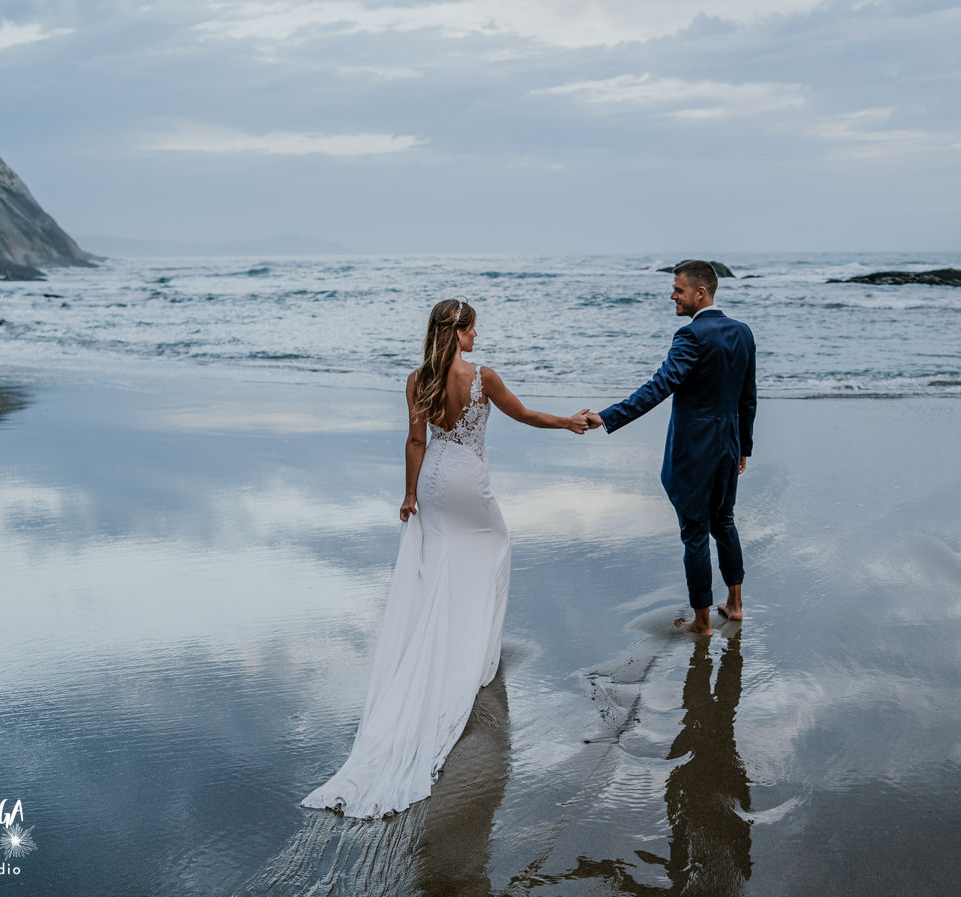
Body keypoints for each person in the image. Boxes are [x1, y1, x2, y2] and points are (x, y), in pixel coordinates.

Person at [300, 297, 589, 819]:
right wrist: (568, 422)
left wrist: (410, 494)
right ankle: (472, 651)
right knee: (494, 546)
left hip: (434, 479)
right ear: (461, 332)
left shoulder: (418, 379)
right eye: (474, 330)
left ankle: (446, 638)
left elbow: (415, 440)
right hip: (469, 482)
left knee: (440, 568)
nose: (477, 338)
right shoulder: (483, 377)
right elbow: (523, 415)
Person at [584, 260, 757, 637]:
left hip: (694, 451)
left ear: (701, 292)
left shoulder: (691, 336)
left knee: (695, 532)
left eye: (678, 290)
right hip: (727, 446)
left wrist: (608, 416)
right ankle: (736, 605)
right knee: (724, 522)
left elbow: (660, 386)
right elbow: (747, 396)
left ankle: (703, 622)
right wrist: (744, 445)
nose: (672, 295)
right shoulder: (742, 332)